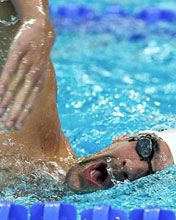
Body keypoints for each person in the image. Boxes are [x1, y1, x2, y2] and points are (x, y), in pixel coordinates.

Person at [0, 0, 175, 194]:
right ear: (123, 138)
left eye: (149, 177)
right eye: (146, 148)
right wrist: (36, 19)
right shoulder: (29, 138)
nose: (131, 168)